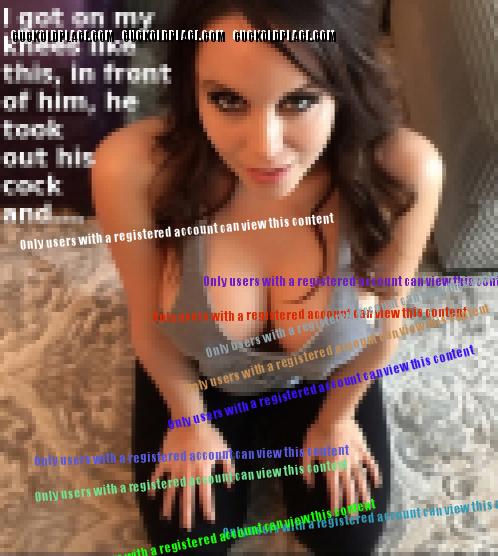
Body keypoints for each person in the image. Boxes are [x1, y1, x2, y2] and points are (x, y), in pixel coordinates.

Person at [91, 1, 443, 553]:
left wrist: (336, 421)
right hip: (197, 376)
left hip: (324, 376)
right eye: (227, 100)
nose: (265, 148)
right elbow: (147, 321)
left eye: (299, 100)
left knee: (345, 541)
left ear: (344, 83)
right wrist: (189, 421)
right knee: (189, 544)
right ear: (190, 85)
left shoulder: (400, 172)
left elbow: (385, 324)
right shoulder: (134, 167)